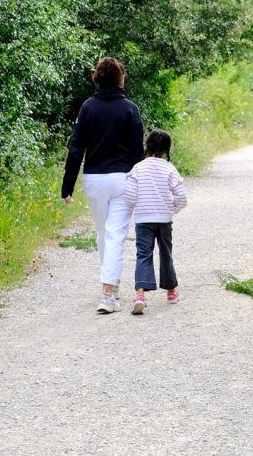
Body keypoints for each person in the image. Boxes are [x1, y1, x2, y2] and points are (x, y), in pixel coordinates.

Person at [62, 57, 144, 314]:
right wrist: (140, 185)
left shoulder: (88, 107)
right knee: (115, 235)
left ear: (97, 77)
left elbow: (76, 148)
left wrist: (68, 185)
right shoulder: (130, 109)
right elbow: (137, 154)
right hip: (122, 179)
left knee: (103, 234)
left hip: (94, 179)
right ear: (121, 78)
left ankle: (111, 287)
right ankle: (108, 294)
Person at [123, 129, 187, 315]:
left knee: (143, 253)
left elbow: (129, 195)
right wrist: (172, 209)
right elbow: (182, 196)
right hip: (164, 218)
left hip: (144, 219)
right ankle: (171, 291)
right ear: (167, 149)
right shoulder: (169, 169)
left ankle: (140, 295)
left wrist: (137, 207)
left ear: (147, 146)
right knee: (166, 252)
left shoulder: (138, 168)